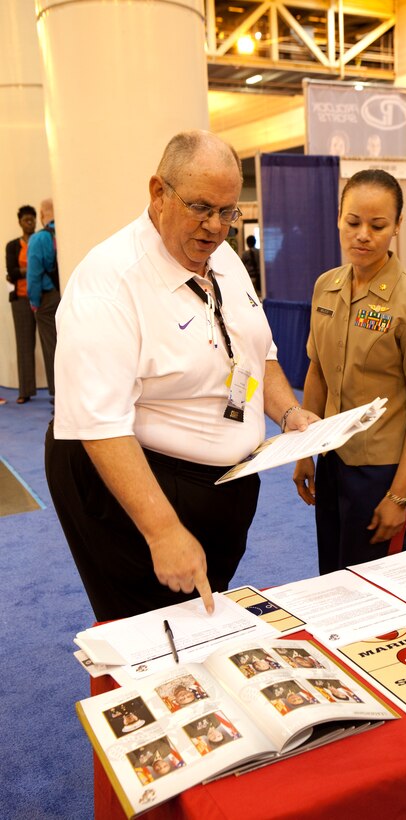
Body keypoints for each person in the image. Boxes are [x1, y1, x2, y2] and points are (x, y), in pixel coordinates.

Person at [45, 130, 317, 622]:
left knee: (204, 617)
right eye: (201, 207)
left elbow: (259, 352)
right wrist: (162, 530)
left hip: (225, 482)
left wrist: (288, 411)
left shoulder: (222, 256)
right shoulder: (109, 282)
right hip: (136, 483)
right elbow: (100, 425)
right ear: (158, 193)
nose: (215, 227)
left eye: (228, 212)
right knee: (152, 632)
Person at [293, 169, 406, 572]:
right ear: (339, 218)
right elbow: (317, 374)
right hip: (332, 460)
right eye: (353, 222)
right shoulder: (325, 286)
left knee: (374, 585)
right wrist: (304, 453)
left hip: (381, 473)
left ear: (397, 226)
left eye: (377, 225)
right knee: (330, 577)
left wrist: (400, 495)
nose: (363, 234)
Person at [26, 198, 60, 400]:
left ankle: (60, 395)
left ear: (41, 214)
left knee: (52, 349)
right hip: (68, 295)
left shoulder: (39, 239)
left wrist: (34, 303)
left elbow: (33, 276)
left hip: (47, 301)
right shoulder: (66, 232)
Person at [5, 205, 38, 404]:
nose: (30, 223)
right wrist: (33, 268)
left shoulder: (41, 240)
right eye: (26, 220)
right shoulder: (12, 246)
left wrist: (24, 269)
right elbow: (12, 271)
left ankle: (55, 393)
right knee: (24, 346)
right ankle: (25, 391)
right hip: (20, 299)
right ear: (20, 222)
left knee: (49, 346)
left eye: (32, 219)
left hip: (39, 298)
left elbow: (47, 266)